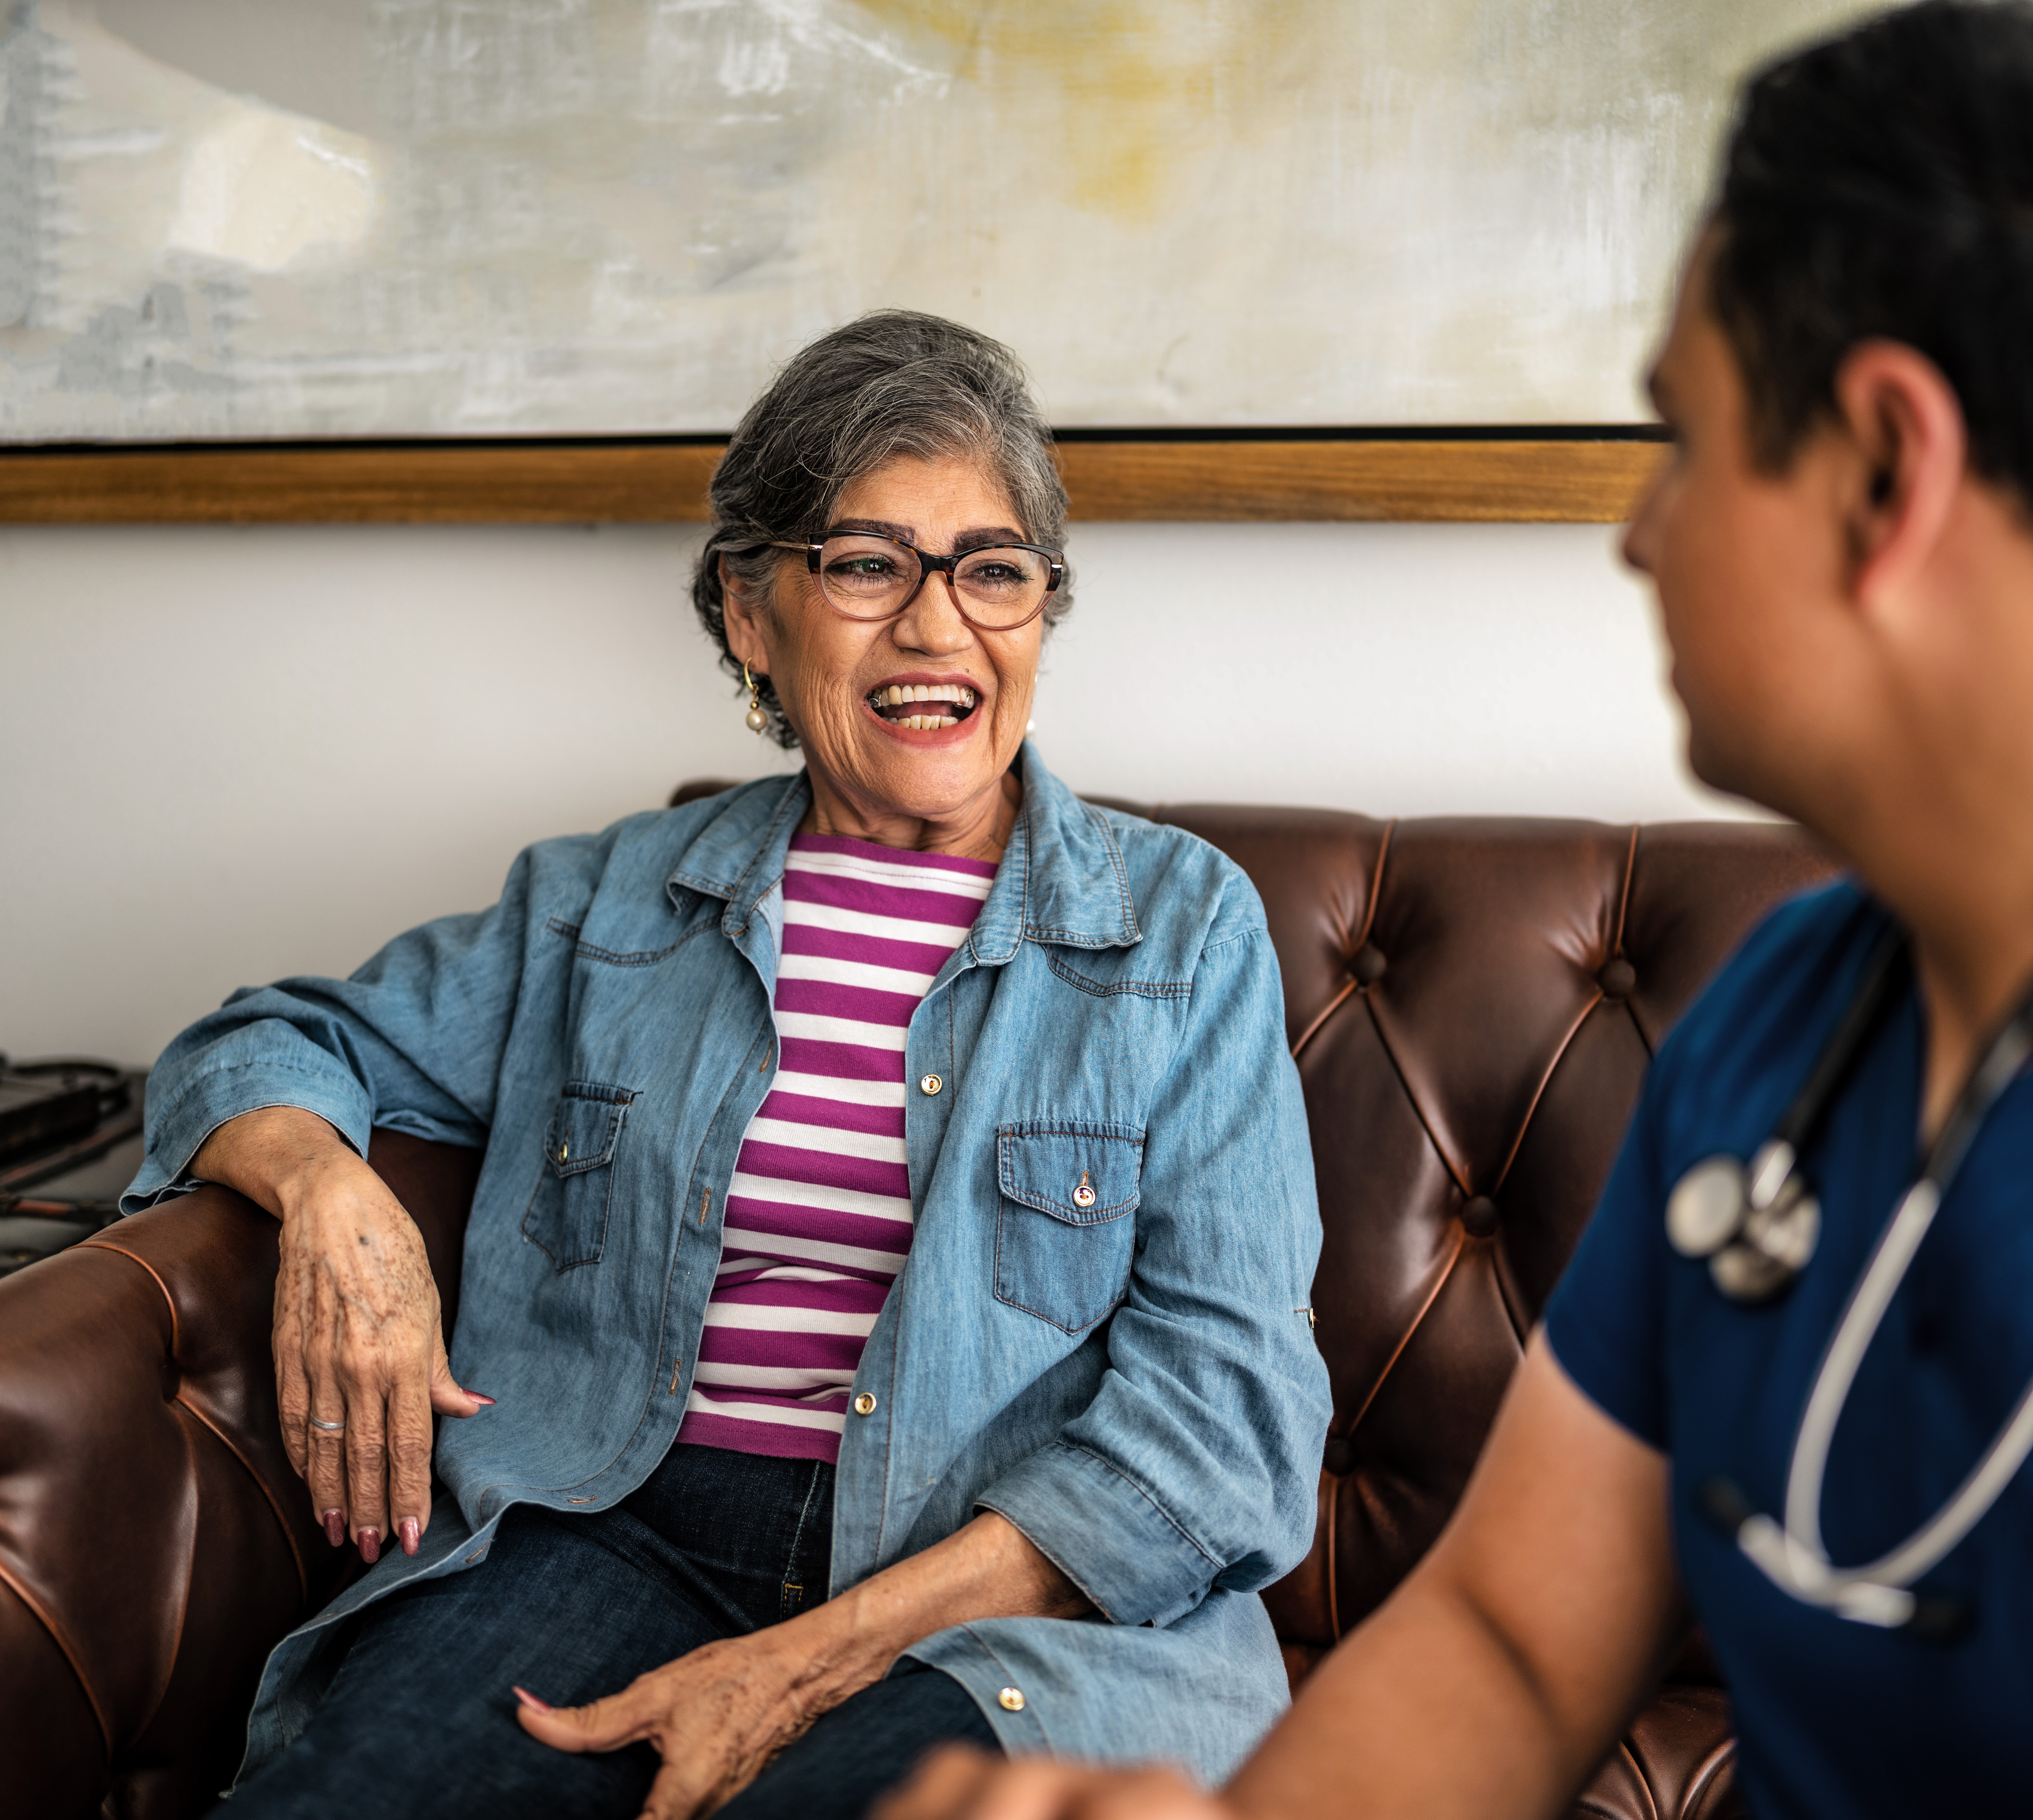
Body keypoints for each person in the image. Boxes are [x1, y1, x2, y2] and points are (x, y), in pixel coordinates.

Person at [884, 6, 2033, 1819]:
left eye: (1687, 441)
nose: (1643, 536)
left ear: (1891, 472)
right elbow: (1511, 1632)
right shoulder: (1788, 1018)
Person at [117, 310, 1329, 1820]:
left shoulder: (1178, 929)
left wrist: (807, 1660)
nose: (937, 628)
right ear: (752, 615)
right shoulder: (606, 906)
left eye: (992, 570)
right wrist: (330, 1203)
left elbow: (1227, 1422)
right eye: (867, 564)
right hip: (606, 1530)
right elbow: (251, 1050)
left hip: (985, 1592)